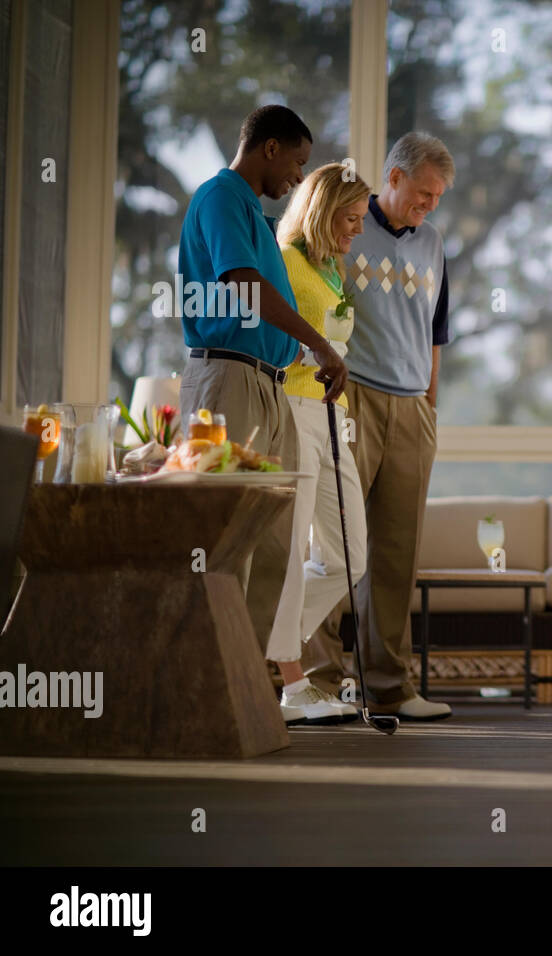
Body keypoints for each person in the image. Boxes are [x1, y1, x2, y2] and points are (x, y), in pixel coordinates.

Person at [177, 105, 347, 656]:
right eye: (298, 162)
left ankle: (243, 685)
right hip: (228, 379)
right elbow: (243, 284)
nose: (299, 176)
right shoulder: (222, 195)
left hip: (269, 385)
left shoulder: (254, 214)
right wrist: (319, 342)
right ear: (269, 148)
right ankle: (206, 683)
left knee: (275, 543)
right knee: (223, 541)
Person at [302, 133, 454, 721]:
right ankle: (316, 683)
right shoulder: (343, 224)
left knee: (396, 554)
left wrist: (430, 405)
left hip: (412, 405)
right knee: (336, 544)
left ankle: (390, 688)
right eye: (422, 192)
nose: (429, 205)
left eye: (438, 196)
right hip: (349, 398)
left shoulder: (436, 243)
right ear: (391, 177)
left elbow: (436, 336)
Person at [263, 163, 371, 725]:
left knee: (348, 554)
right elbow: (267, 335)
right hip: (295, 412)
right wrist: (315, 355)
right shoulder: (284, 261)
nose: (356, 230)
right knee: (290, 548)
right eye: (349, 219)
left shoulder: (331, 272)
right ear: (322, 211)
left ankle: (256, 632)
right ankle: (292, 681)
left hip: (335, 419)